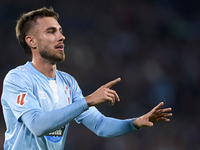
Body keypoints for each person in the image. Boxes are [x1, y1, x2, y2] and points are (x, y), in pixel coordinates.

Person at [1, 7, 172, 150]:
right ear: (32, 41)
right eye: (51, 32)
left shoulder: (68, 82)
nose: (61, 37)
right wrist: (87, 101)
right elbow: (37, 126)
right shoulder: (18, 78)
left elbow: (100, 125)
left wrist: (134, 123)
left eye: (60, 31)